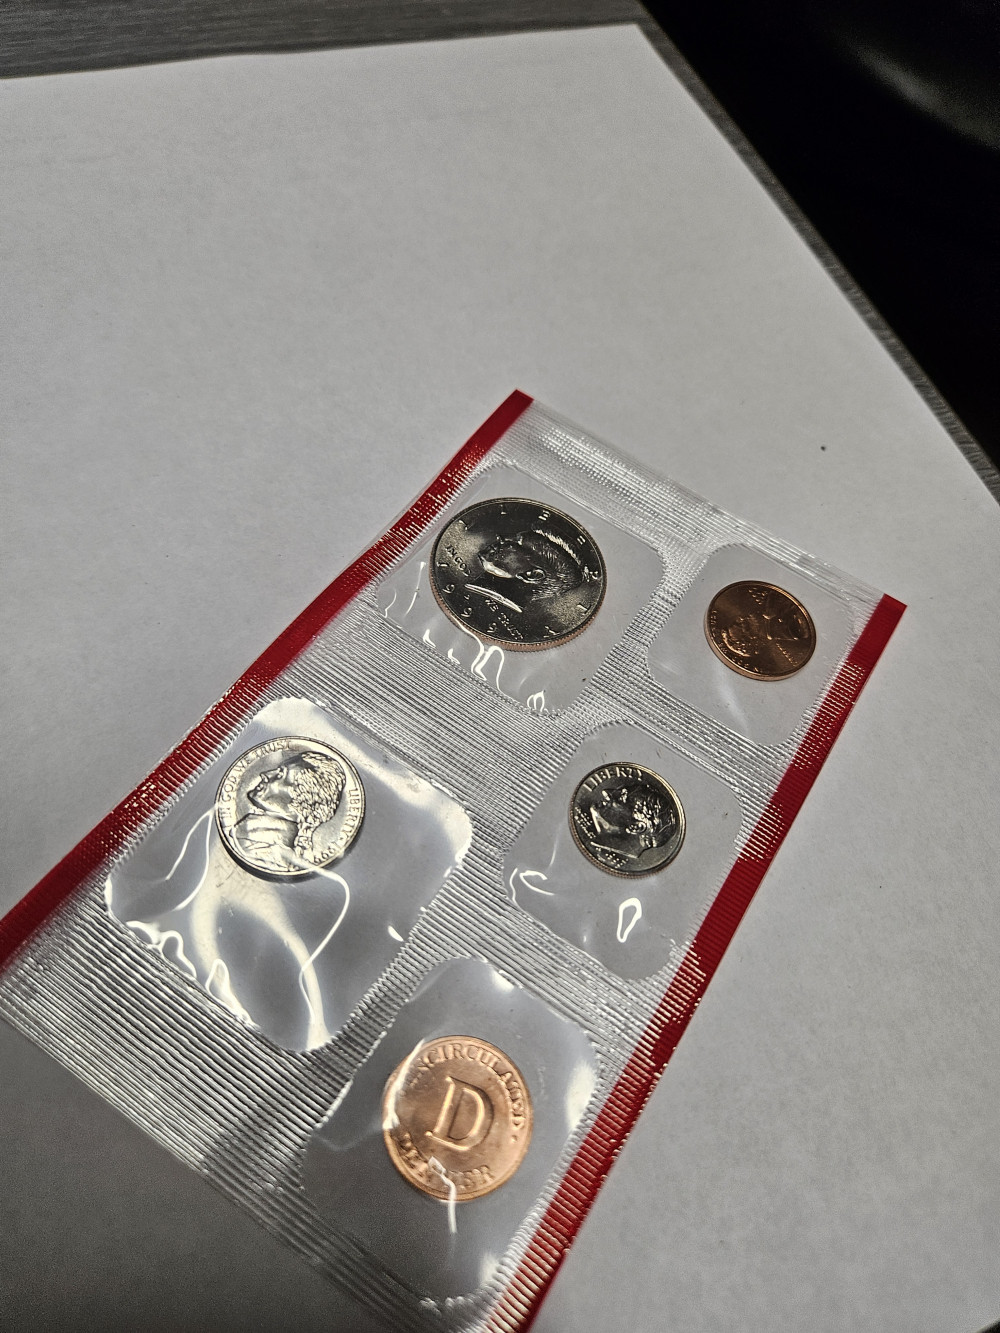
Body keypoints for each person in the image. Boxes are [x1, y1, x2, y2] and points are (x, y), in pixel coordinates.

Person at [232, 751, 345, 874]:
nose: (265, 774)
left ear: (301, 797)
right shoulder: (250, 835)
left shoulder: (263, 851)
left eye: (281, 774)